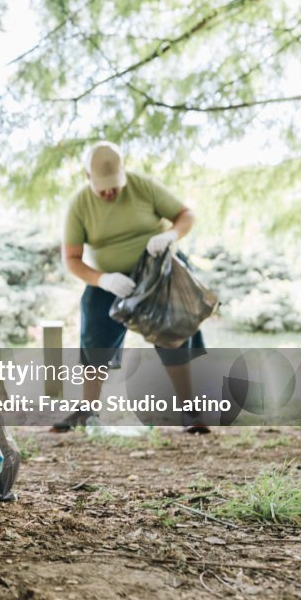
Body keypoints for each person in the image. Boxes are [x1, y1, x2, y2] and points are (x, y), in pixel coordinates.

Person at [57, 141, 209, 435]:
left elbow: (185, 214)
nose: (110, 192)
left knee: (175, 336)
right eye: (103, 188)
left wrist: (170, 236)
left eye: (114, 185)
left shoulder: (142, 186)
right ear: (88, 178)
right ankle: (87, 410)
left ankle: (190, 411)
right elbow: (72, 260)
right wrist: (103, 280)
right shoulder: (79, 205)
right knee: (94, 335)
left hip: (157, 271)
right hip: (110, 279)